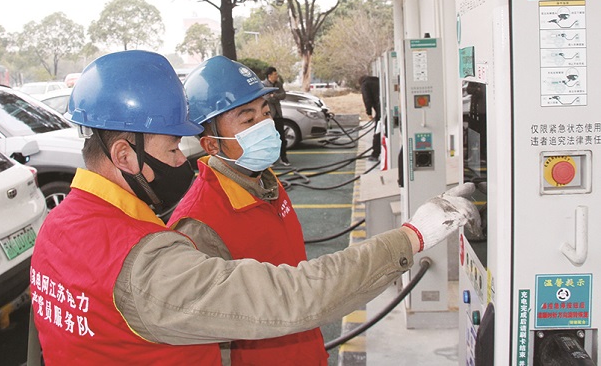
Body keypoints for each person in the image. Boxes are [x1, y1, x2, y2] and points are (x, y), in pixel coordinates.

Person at [30, 50, 479, 365]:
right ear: (125, 156)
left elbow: (44, 347)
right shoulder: (148, 260)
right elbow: (290, 296)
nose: (182, 161)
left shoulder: (55, 228)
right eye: (172, 149)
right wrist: (411, 237)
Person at [169, 55, 327, 364]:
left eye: (265, 113)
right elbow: (208, 331)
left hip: (306, 349)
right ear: (211, 145)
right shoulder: (198, 223)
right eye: (248, 120)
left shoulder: (266, 182)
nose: (265, 125)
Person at [262, 65, 290, 165]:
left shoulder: (278, 84)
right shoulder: (263, 85)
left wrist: (274, 95)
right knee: (270, 138)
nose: (277, 76)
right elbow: (266, 98)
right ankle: (271, 160)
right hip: (269, 116)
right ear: (269, 75)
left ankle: (284, 158)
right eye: (275, 74)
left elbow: (283, 95)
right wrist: (275, 97)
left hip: (278, 115)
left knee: (282, 138)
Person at [360, 75, 381, 162]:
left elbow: (367, 99)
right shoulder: (379, 80)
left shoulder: (365, 84)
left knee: (378, 131)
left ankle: (375, 154)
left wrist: (369, 112)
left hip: (380, 109)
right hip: (386, 107)